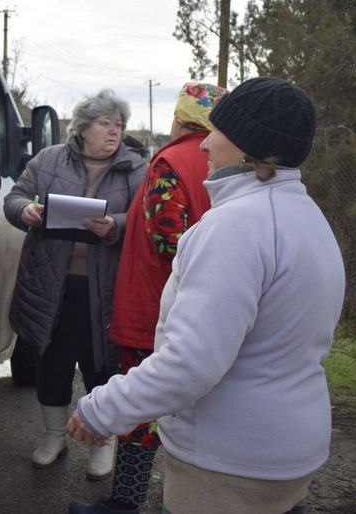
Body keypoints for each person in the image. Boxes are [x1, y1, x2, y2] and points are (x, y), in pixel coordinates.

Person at [67, 77, 346, 514]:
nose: (204, 144)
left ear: (247, 146)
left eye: (217, 131)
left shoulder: (236, 226)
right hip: (290, 448)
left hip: (230, 460)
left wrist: (102, 408)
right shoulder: (307, 215)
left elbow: (191, 363)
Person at [68, 82, 227, 514]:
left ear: (181, 118)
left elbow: (171, 243)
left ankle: (125, 504)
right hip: (205, 312)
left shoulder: (171, 161)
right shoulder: (232, 166)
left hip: (154, 311)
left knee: (143, 413)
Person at [3, 89, 147, 481]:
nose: (114, 131)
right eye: (105, 123)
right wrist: (26, 211)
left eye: (118, 124)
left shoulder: (137, 169)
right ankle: (54, 436)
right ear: (83, 129)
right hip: (53, 287)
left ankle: (103, 443)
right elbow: (14, 197)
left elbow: (143, 220)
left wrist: (114, 225)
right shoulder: (49, 159)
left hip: (107, 289)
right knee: (53, 365)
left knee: (103, 369)